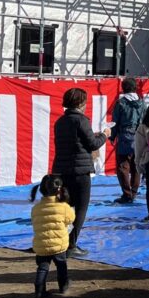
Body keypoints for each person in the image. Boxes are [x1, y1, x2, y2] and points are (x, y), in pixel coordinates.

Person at [52, 87, 109, 256]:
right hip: (80, 170)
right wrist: (105, 135)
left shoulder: (60, 122)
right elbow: (92, 144)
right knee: (81, 208)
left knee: (64, 207)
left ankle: (58, 241)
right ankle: (71, 244)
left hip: (61, 169)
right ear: (80, 103)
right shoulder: (81, 120)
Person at [30, 174, 75, 298]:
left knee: (42, 268)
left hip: (41, 245)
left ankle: (39, 291)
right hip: (59, 245)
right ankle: (63, 286)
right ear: (59, 189)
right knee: (61, 266)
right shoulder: (64, 207)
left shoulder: (36, 208)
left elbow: (34, 221)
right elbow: (71, 219)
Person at [110, 76, 146, 204]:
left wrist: (112, 136)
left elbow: (115, 122)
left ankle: (126, 194)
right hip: (139, 137)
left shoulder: (121, 103)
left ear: (123, 88)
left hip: (125, 138)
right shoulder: (141, 103)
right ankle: (134, 193)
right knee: (136, 167)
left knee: (122, 167)